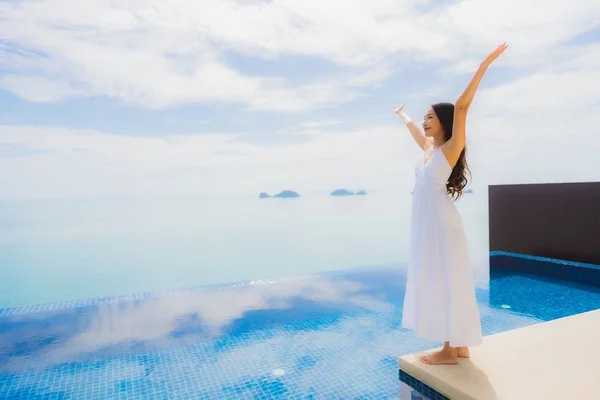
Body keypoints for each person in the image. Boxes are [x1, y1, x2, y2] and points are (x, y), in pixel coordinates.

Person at [394, 43, 509, 365]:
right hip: (429, 223)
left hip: (441, 224)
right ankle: (460, 345)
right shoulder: (432, 149)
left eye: (431, 117)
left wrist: (484, 64)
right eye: (425, 117)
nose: (425, 121)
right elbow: (415, 132)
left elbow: (461, 107)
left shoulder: (452, 147)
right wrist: (402, 114)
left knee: (446, 279)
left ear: (445, 121)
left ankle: (449, 350)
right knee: (445, 278)